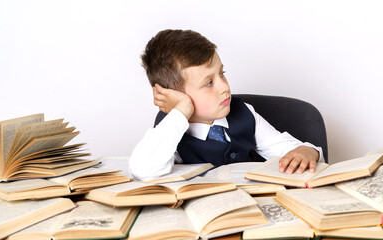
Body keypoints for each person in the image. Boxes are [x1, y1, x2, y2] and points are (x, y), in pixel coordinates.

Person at [128, 29, 324, 181]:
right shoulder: (171, 128)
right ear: (174, 96)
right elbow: (144, 171)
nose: (224, 87)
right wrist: (180, 112)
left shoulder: (243, 112)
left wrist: (309, 151)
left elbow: (286, 150)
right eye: (209, 83)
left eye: (222, 73)